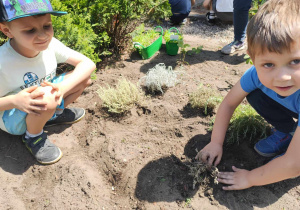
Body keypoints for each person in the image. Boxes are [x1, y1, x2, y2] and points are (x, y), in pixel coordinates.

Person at [196, 0, 300, 190]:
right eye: (268, 64)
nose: (283, 77)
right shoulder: (254, 75)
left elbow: (294, 165)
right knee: (255, 94)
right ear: (253, 60)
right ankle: (288, 132)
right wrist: (215, 142)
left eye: (295, 61)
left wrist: (250, 178)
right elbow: (228, 103)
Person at [0, 0, 96, 165]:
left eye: (47, 26)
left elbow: (88, 64)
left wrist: (62, 87)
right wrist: (14, 101)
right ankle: (33, 136)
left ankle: (52, 115)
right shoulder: (3, 62)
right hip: (11, 117)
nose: (43, 36)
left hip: (43, 99)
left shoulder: (50, 44)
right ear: (7, 30)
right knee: (47, 97)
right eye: (30, 30)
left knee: (83, 79)